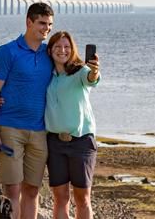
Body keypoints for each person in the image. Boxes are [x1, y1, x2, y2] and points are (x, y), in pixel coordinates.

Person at [0, 2, 54, 219]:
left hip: (40, 131)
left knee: (32, 191)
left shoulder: (50, 54)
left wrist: (92, 71)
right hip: (10, 130)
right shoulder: (7, 52)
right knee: (11, 191)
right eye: (42, 23)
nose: (46, 29)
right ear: (28, 22)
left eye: (50, 24)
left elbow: (72, 74)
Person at [44, 31, 100, 219]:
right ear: (50, 50)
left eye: (67, 47)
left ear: (72, 49)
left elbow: (91, 79)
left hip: (81, 143)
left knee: (82, 199)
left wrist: (94, 71)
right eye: (58, 47)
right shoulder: (46, 76)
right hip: (54, 143)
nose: (63, 50)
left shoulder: (80, 72)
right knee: (60, 198)